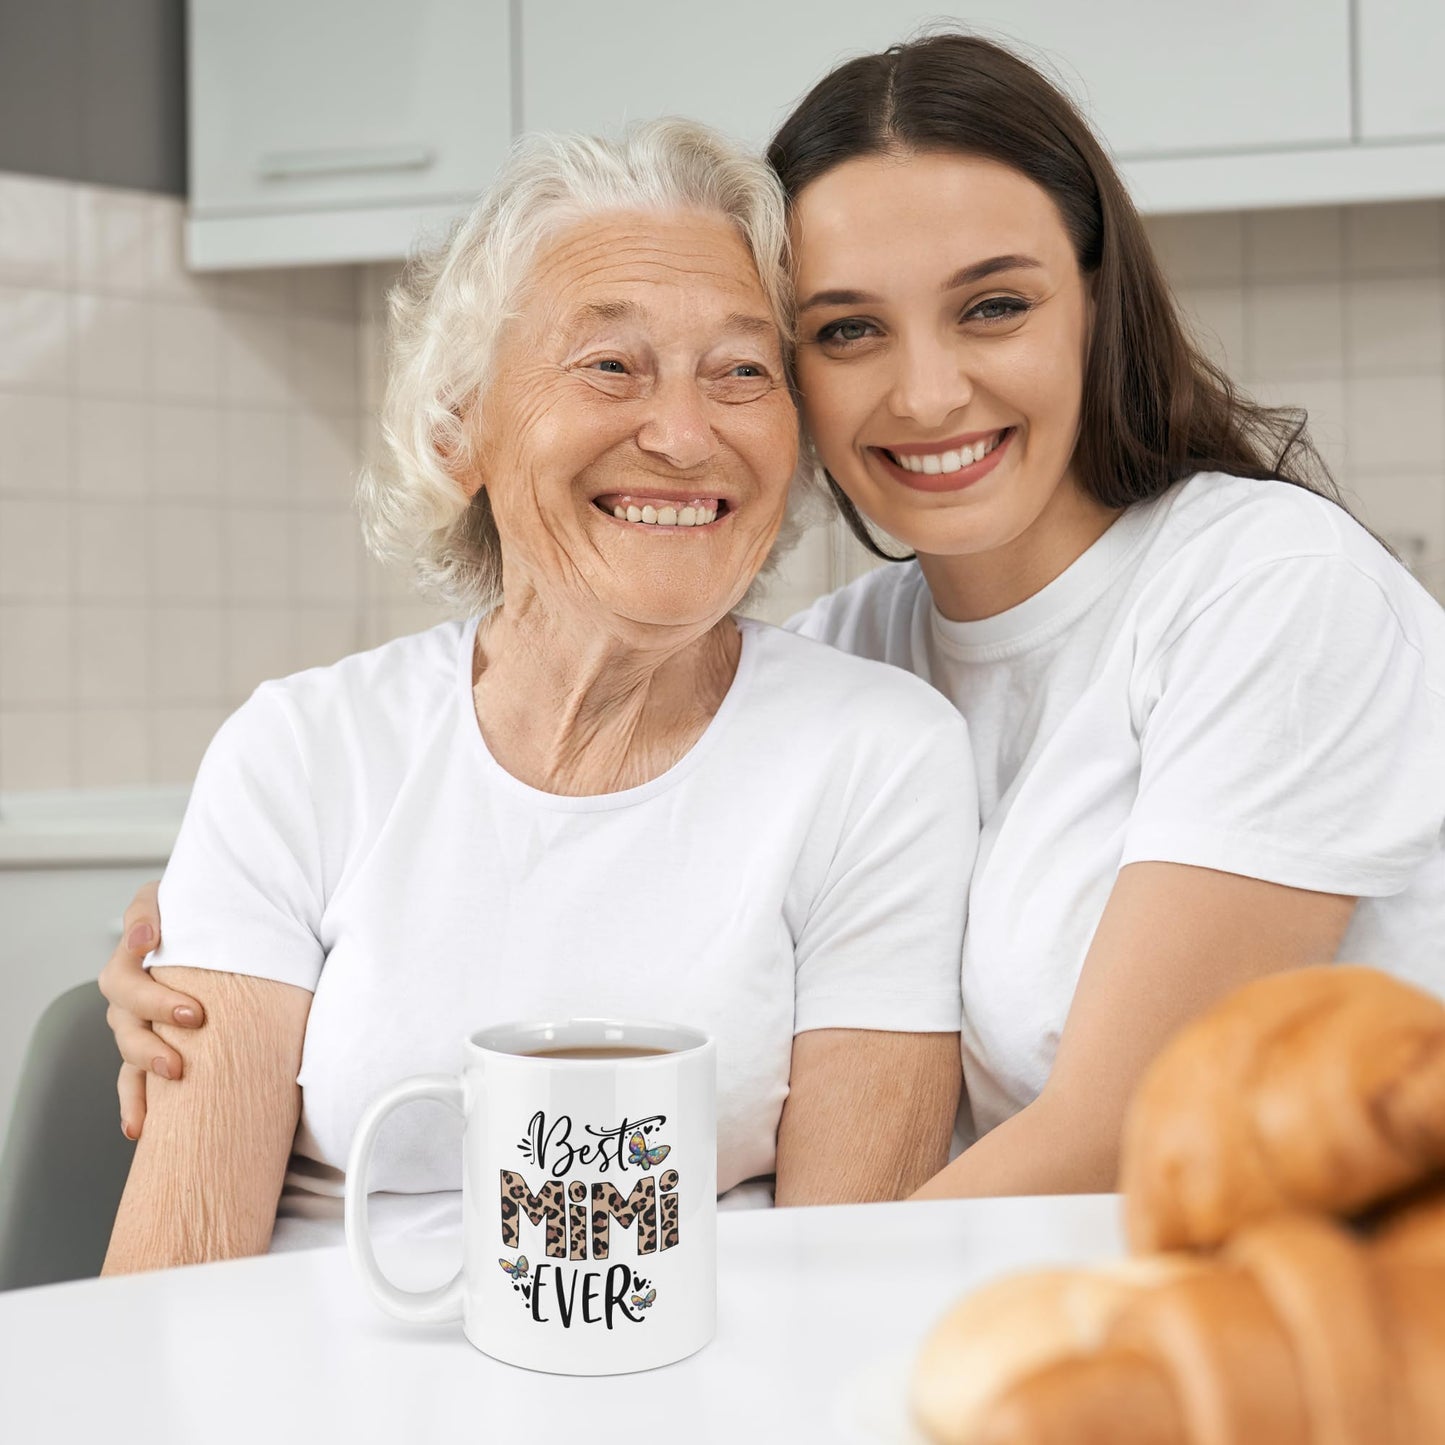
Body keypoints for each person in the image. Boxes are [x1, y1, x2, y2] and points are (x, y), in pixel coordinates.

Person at [102, 33, 1445, 1205]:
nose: (926, 394)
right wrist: (238, 934)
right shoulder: (857, 654)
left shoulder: (1269, 590)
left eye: (994, 306)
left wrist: (762, 1331)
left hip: (1302, 1323)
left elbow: (1123, 1129)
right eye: (847, 332)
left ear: (1098, 309)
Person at [100, 120, 977, 1274]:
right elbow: (176, 1277)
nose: (681, 432)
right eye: (609, 364)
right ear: (459, 426)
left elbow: (849, 1283)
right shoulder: (301, 749)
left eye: (742, 372)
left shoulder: (875, 754)